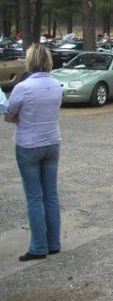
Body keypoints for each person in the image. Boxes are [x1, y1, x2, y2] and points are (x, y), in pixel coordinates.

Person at [5, 45, 63, 261]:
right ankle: (54, 242)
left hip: (29, 144)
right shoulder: (56, 84)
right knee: (51, 194)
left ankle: (38, 246)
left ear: (29, 61)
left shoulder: (23, 87)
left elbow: (10, 114)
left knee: (33, 197)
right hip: (52, 142)